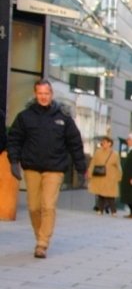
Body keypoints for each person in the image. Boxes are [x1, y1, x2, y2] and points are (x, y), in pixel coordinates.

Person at [6, 79, 88, 258]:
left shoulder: (63, 118)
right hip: (32, 168)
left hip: (55, 168)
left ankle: (42, 244)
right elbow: (14, 140)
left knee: (48, 206)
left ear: (51, 95)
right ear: (35, 95)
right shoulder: (24, 117)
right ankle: (40, 238)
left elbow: (75, 144)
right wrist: (13, 162)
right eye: (40, 93)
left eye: (46, 93)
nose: (43, 97)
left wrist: (81, 169)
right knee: (34, 207)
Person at [87, 136, 123, 216]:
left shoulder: (115, 154)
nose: (103, 144)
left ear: (110, 143)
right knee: (100, 193)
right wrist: (90, 173)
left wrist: (119, 176)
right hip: (99, 175)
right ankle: (100, 209)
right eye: (102, 142)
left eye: (105, 142)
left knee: (110, 195)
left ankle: (113, 211)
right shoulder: (98, 152)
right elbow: (93, 163)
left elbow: (118, 166)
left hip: (110, 177)